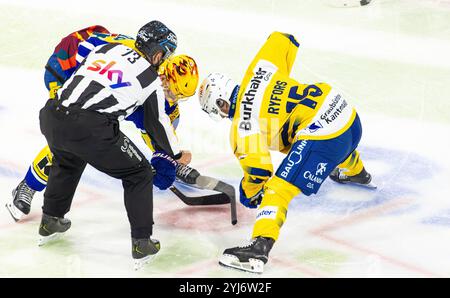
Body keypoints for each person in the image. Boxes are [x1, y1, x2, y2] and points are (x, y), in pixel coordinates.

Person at [198, 31, 375, 273]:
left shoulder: (242, 124)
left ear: (221, 103)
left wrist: (249, 194)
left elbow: (260, 173)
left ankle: (258, 249)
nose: (222, 116)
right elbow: (283, 39)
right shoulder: (257, 69)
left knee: (276, 191)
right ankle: (358, 173)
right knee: (301, 141)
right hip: (349, 117)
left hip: (327, 135)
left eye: (218, 111)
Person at [6, 25, 199, 222]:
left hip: (106, 76)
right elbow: (83, 52)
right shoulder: (128, 60)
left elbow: (153, 129)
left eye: (177, 96)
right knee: (70, 134)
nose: (171, 99)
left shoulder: (151, 77)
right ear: (162, 72)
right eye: (170, 92)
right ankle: (27, 186)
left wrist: (170, 159)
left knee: (88, 127)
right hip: (66, 65)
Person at [37, 20, 189, 269]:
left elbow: (82, 52)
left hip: (53, 113)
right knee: (139, 174)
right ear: (158, 52)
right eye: (166, 54)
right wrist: (176, 153)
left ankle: (50, 220)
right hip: (90, 128)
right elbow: (157, 124)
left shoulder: (108, 48)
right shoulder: (150, 78)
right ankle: (142, 242)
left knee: (68, 160)